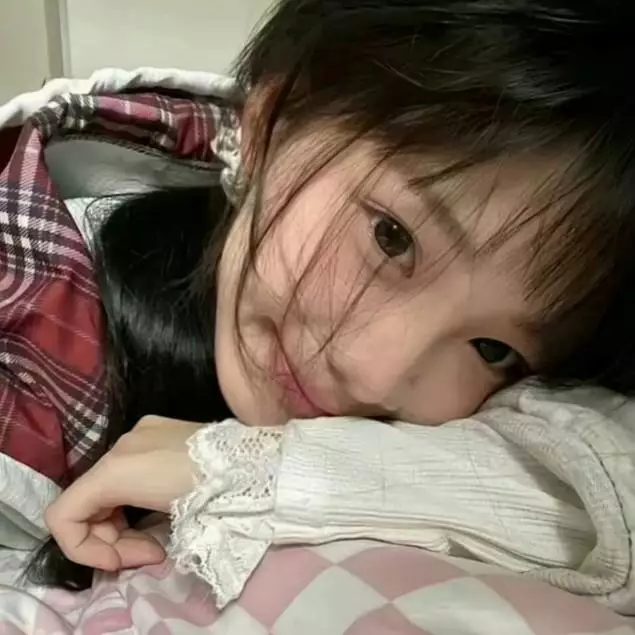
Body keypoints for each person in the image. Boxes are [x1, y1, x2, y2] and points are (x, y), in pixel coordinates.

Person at [29, 0, 635, 587]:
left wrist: (268, 468)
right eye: (391, 238)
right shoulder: (26, 323)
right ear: (269, 123)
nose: (374, 378)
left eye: (493, 349)